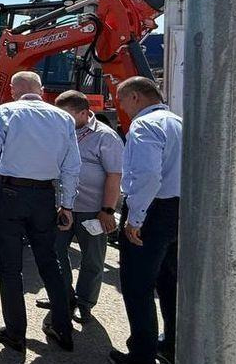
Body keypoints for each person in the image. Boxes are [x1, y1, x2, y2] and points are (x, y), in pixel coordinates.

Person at [0, 71, 81, 354]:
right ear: (40, 90)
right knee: (49, 262)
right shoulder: (63, 118)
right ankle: (63, 329)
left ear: (13, 90)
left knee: (10, 266)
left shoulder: (5, 112)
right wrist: (67, 204)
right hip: (45, 195)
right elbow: (72, 166)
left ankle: (15, 333)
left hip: (10, 194)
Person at [109, 77, 182, 364]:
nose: (121, 107)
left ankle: (141, 354)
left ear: (136, 97)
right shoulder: (178, 121)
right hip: (177, 210)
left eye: (122, 100)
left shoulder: (144, 125)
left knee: (137, 286)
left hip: (152, 211)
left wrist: (135, 219)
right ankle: (172, 344)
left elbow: (147, 176)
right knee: (168, 282)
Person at [35, 90, 123, 323]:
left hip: (91, 210)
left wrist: (107, 210)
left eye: (65, 115)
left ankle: (84, 302)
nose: (59, 119)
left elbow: (115, 175)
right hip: (61, 208)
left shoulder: (106, 137)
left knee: (92, 259)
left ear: (83, 113)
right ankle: (63, 296)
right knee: (55, 254)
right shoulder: (59, 132)